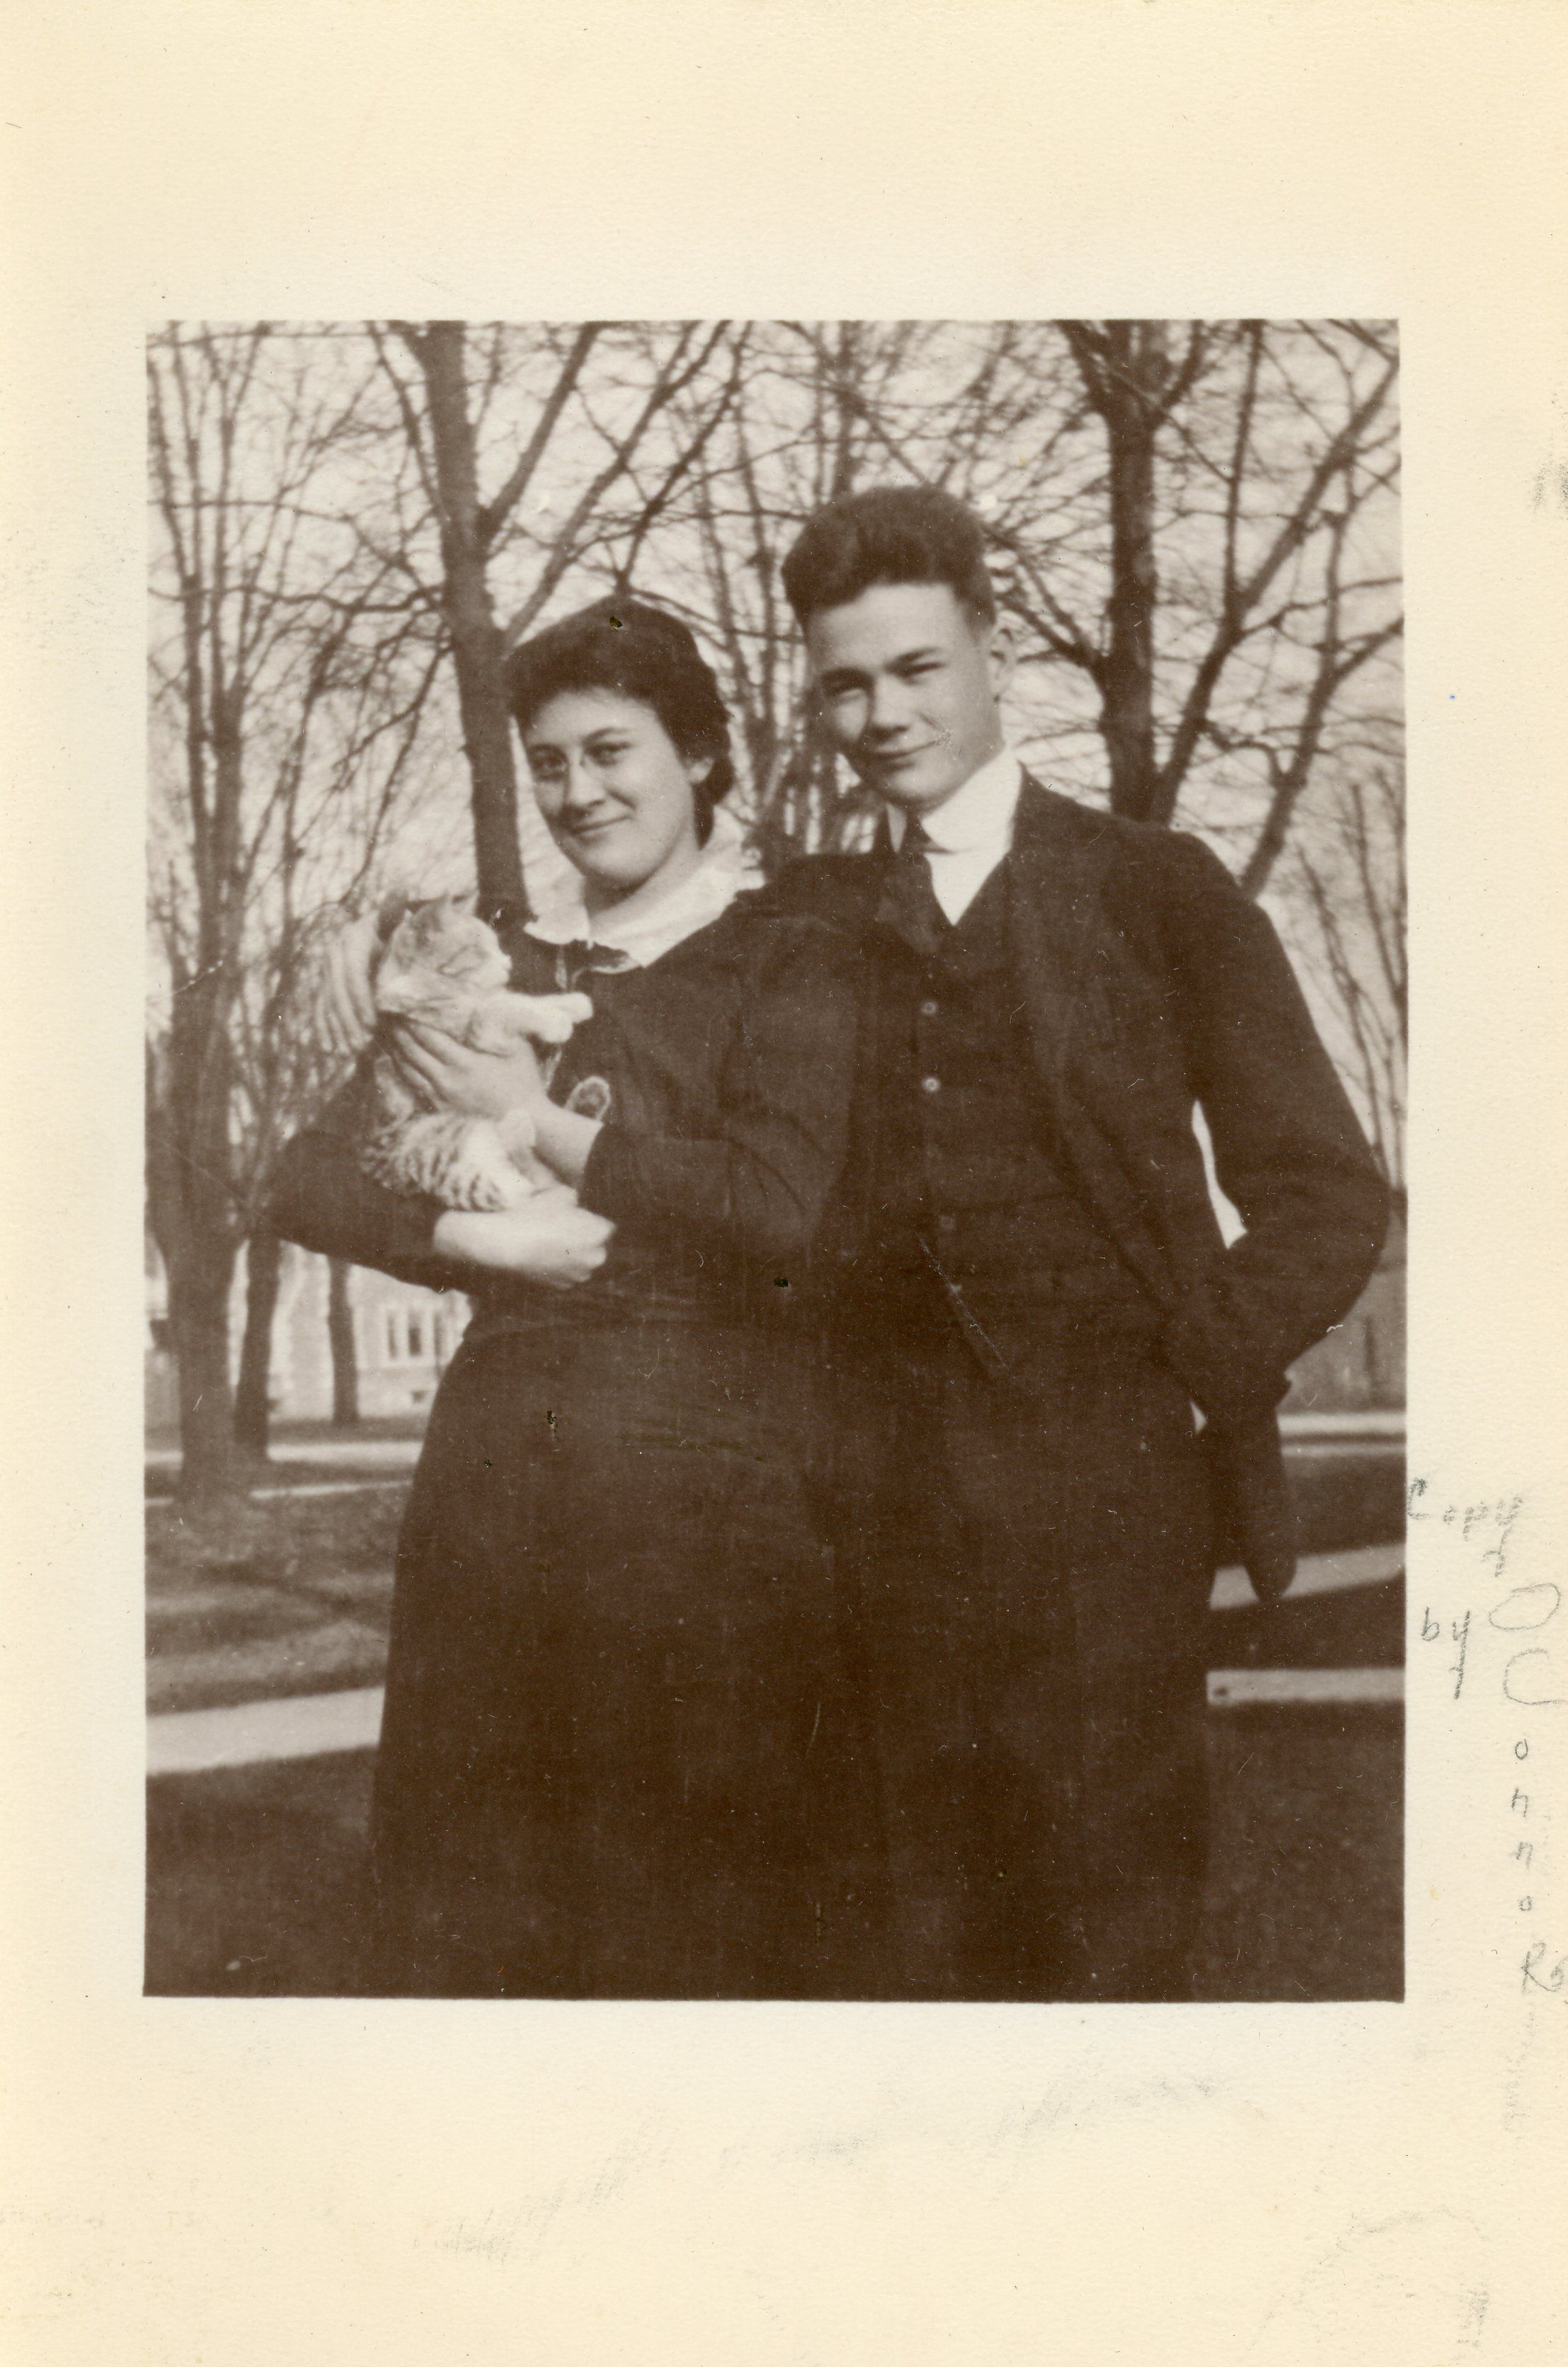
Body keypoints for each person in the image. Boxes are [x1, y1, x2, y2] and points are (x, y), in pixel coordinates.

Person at [768, 485, 1392, 2002]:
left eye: (917, 668)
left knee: (1109, 1935)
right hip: (880, 1517)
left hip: (1108, 1506)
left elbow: (1326, 1193)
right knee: (913, 1947)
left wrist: (1186, 1373)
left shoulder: (1152, 887)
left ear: (992, 650)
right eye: (845, 685)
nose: (882, 715)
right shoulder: (811, 923)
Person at [270, 597, 867, 1998]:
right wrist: (481, 1248)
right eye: (548, 764)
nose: (577, 792)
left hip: (701, 1498)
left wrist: (535, 1125)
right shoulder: (507, 967)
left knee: (692, 1929)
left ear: (700, 755)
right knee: (485, 1925)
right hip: (493, 1497)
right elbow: (304, 1180)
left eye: (611, 752)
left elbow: (776, 1206)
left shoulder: (788, 952)